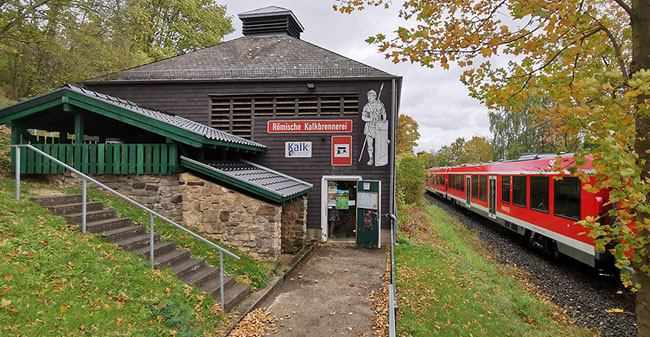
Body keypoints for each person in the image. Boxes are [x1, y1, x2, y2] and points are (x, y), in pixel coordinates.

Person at [361, 90, 386, 166]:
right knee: (370, 145)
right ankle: (371, 158)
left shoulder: (380, 105)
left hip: (378, 126)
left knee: (379, 144)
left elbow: (384, 114)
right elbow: (363, 117)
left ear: (374, 96)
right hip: (369, 127)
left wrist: (383, 122)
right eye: (368, 96)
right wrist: (369, 119)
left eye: (370, 96)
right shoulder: (366, 106)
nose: (368, 98)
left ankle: (380, 157)